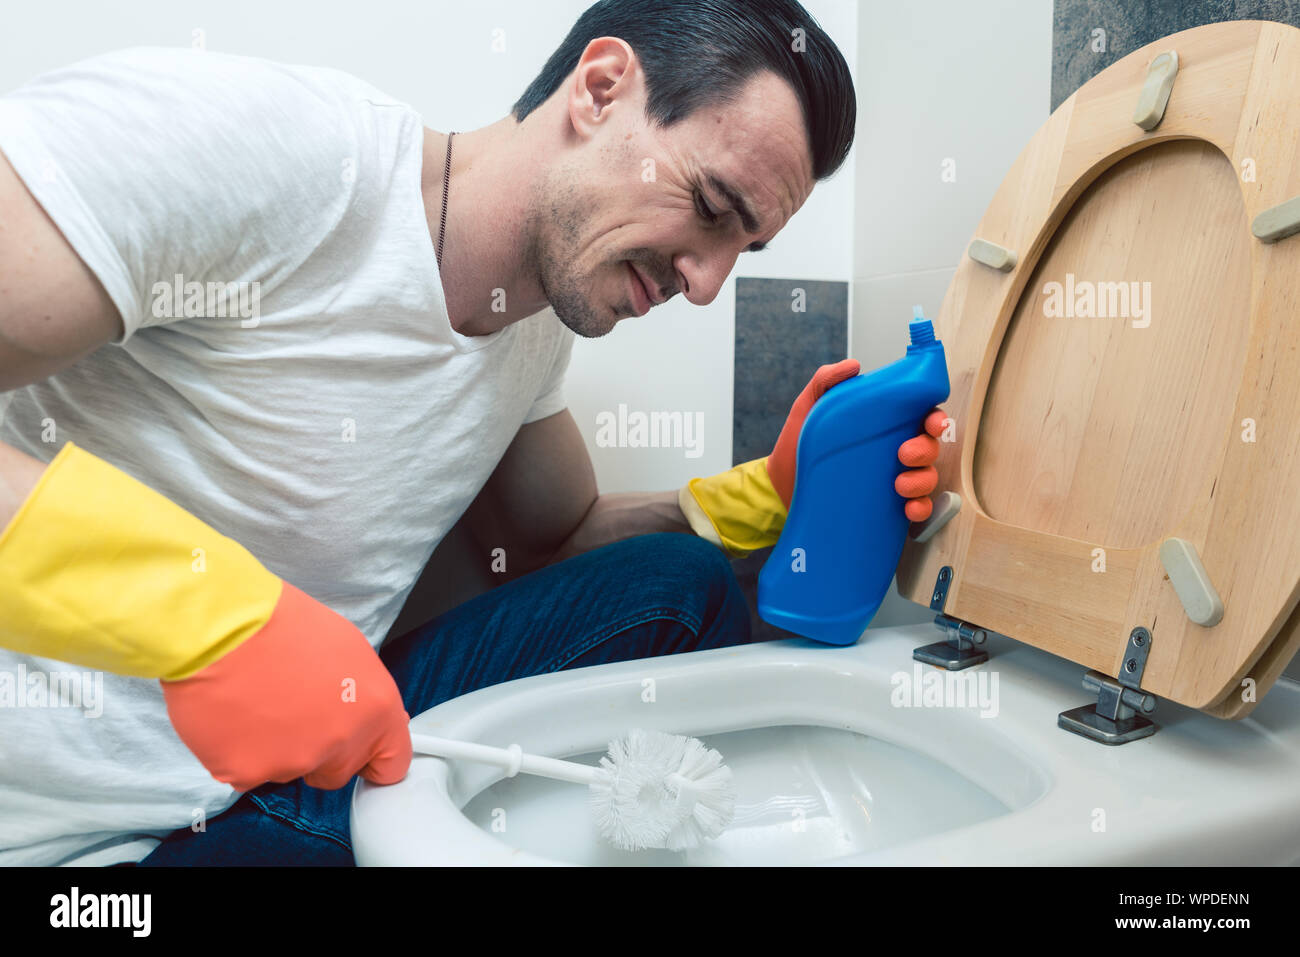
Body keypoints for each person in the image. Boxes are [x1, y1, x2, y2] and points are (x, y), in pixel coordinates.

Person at [0, 0, 939, 865]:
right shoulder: (272, 150)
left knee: (677, 584)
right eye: (710, 210)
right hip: (67, 824)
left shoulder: (532, 326)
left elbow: (553, 544)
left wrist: (764, 498)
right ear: (602, 87)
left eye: (745, 250)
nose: (706, 284)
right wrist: (205, 621)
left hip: (301, 769)